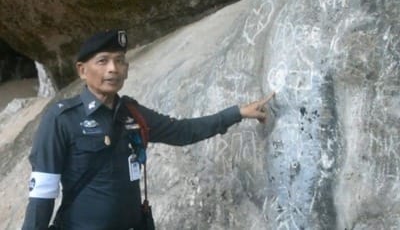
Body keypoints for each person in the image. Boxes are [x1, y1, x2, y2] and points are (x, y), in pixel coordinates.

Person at [22, 29, 275, 230]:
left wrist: (236, 113)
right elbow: (43, 192)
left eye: (120, 61)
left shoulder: (132, 113)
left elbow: (184, 132)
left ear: (127, 70)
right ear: (82, 70)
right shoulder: (62, 118)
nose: (113, 68)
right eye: (103, 61)